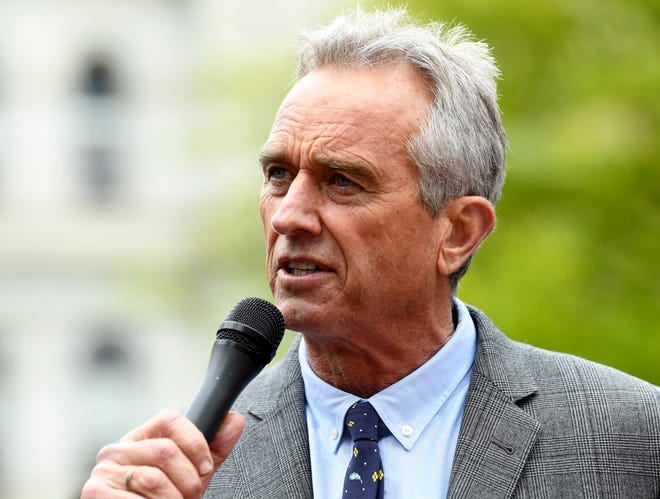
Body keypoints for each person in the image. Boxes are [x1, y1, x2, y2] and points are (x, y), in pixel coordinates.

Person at [81, 7, 660, 499]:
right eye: (279, 174)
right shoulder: (186, 474)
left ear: (458, 231)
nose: (288, 216)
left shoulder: (629, 439)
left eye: (342, 182)